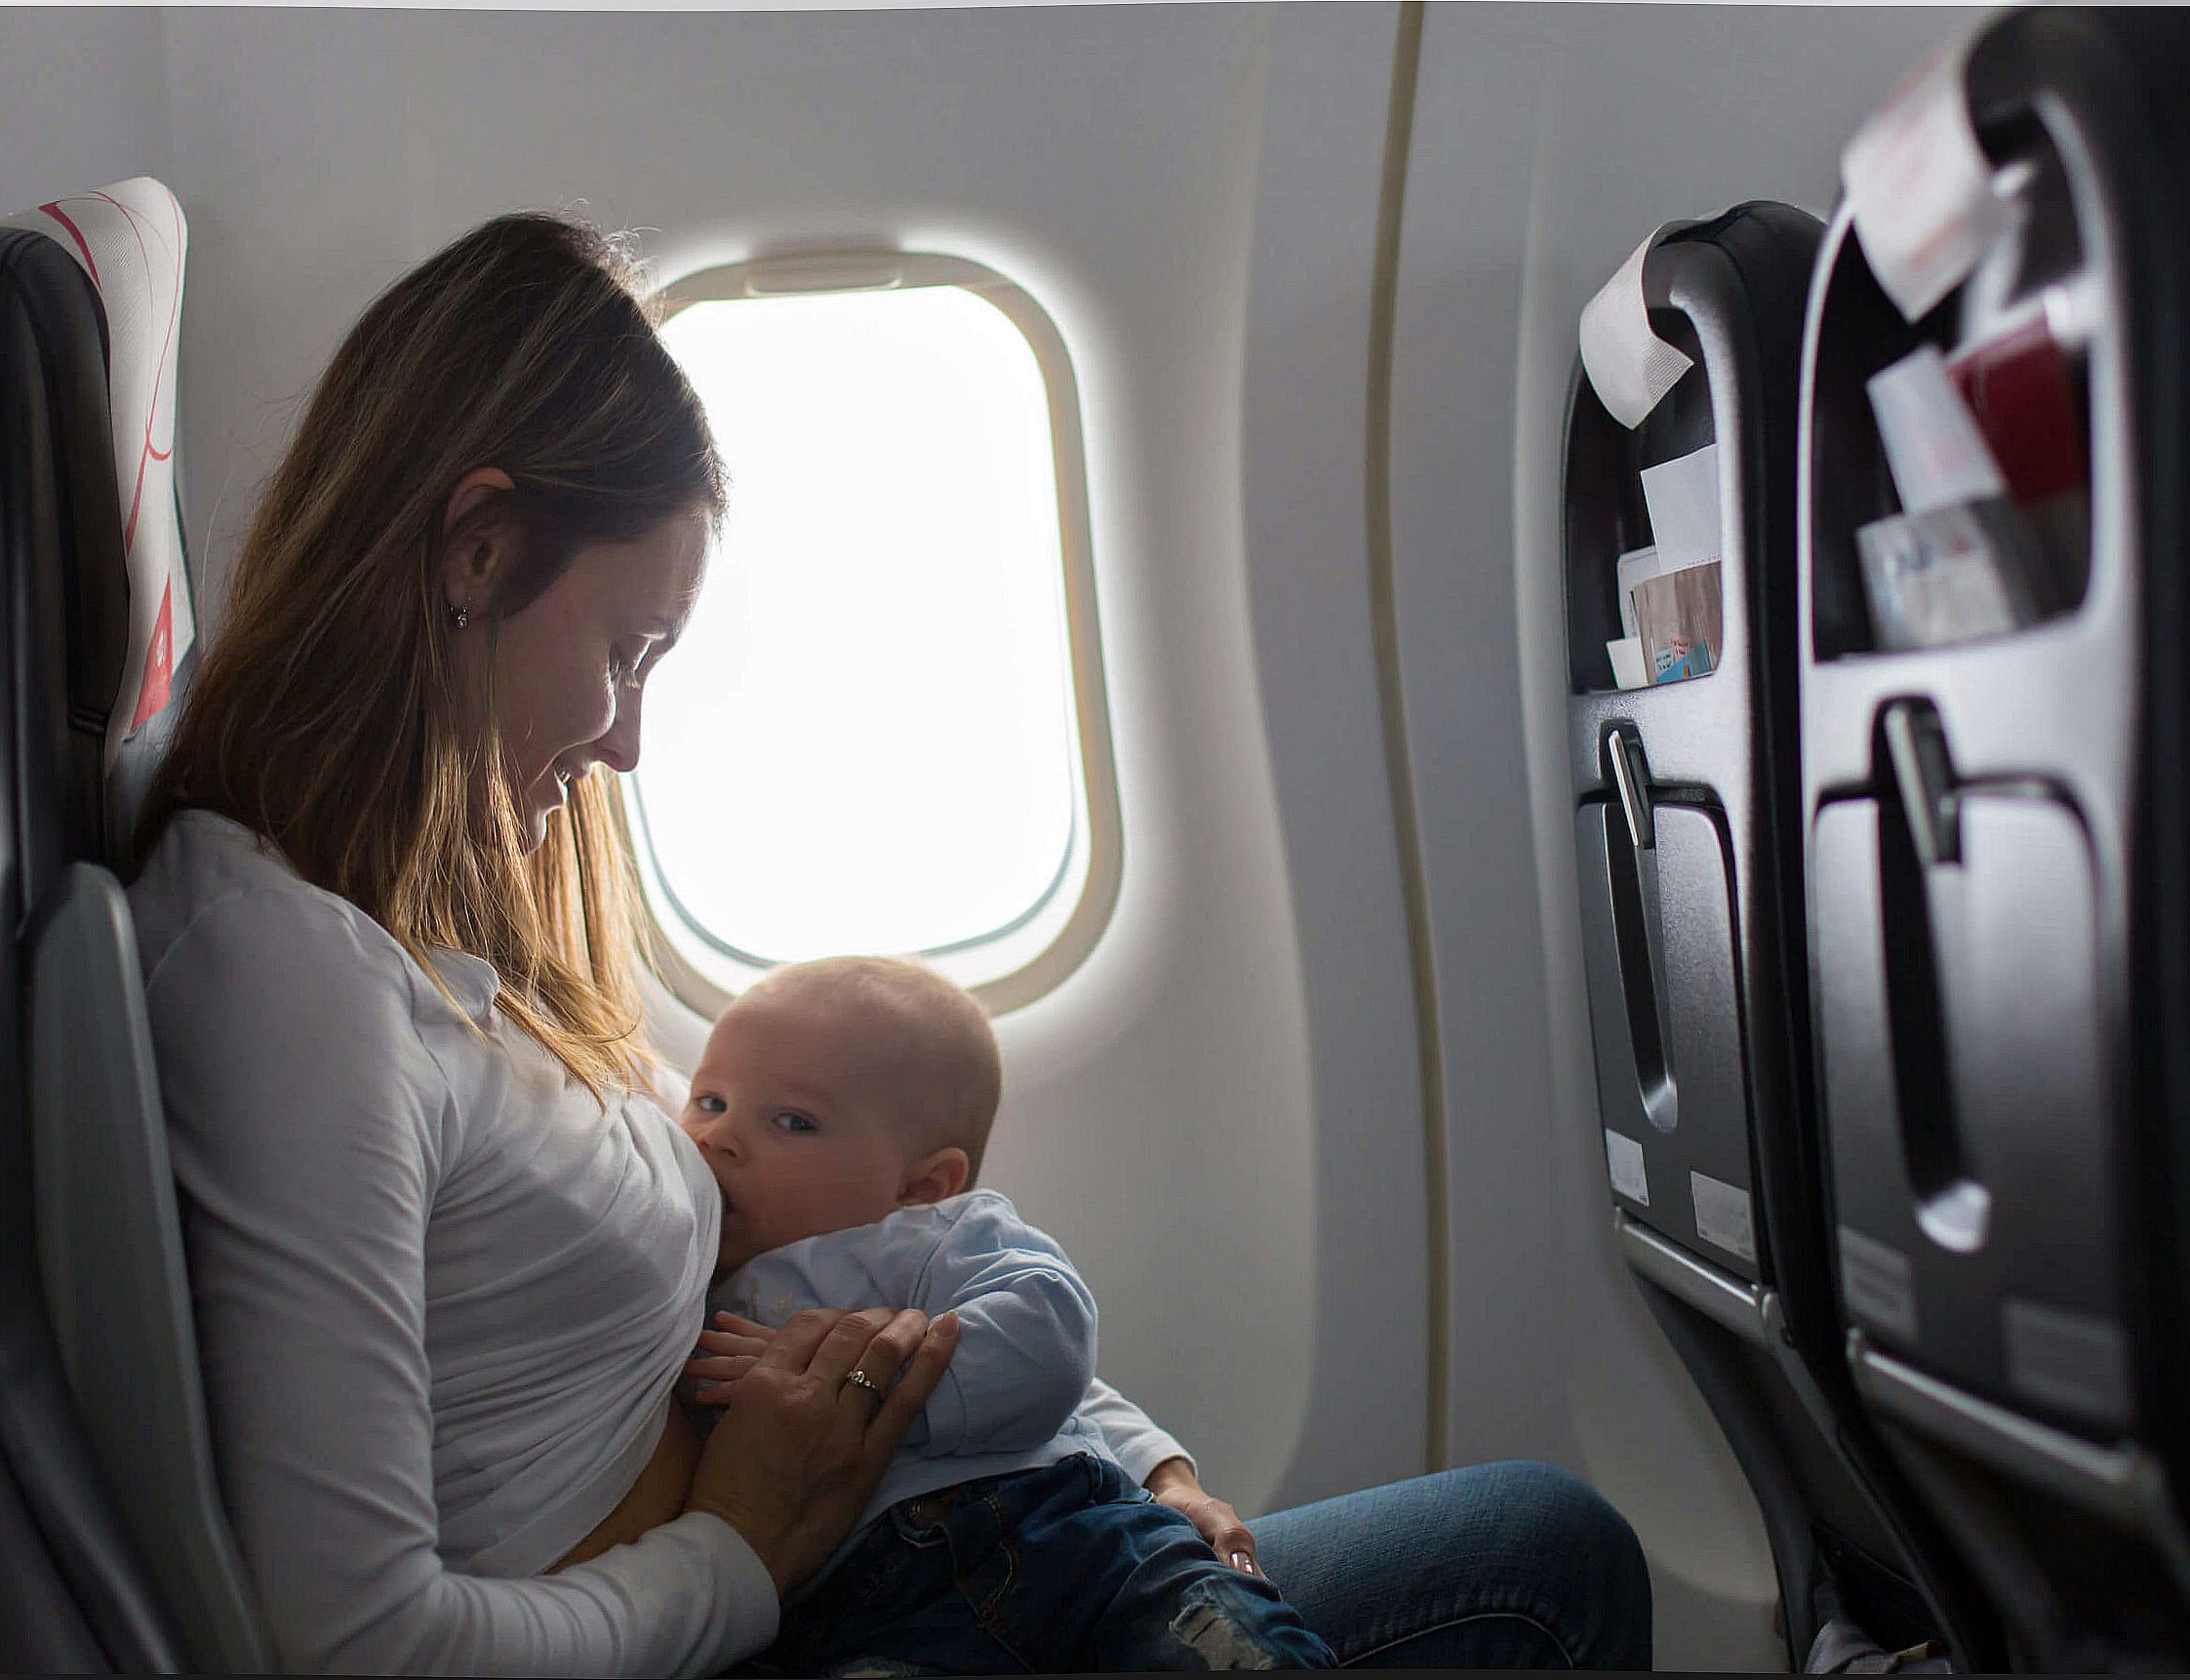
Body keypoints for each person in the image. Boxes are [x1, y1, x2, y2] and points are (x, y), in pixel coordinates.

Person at [128, 207, 1653, 1674]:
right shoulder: (290, 980)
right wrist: (741, 1554)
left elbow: (871, 1275)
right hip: (801, 1613)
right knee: (1534, 1590)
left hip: (909, 1540)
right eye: (623, 650)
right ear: (478, 551)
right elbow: (357, 1643)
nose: (629, 739)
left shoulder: (444, 945)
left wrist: (1144, 1460)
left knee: (1547, 1538)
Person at [632, 955, 1325, 1672]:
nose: (718, 1137)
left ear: (920, 1183)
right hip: (868, 1609)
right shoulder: (689, 1272)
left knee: (1228, 1644)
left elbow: (1051, 1351)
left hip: (1062, 1534)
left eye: (792, 1120)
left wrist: (1165, 1476)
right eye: (708, 1100)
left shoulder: (930, 1240)